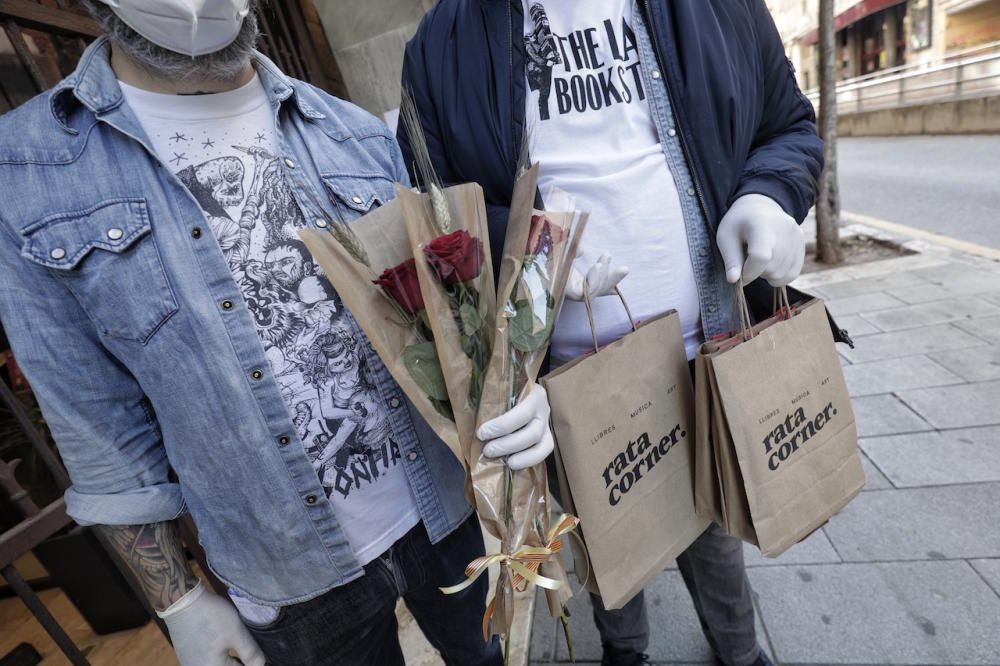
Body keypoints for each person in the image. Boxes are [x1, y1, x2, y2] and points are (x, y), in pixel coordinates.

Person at [0, 1, 554, 664]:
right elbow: (97, 425)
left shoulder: (348, 128)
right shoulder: (29, 174)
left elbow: (443, 309)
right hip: (288, 573)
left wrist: (518, 383)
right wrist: (176, 600)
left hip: (443, 513)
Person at [399, 1, 843, 665]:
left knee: (715, 530)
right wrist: (529, 254)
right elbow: (436, 219)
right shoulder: (443, 41)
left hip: (707, 358)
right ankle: (625, 650)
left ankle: (739, 649)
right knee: (603, 534)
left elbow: (786, 127)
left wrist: (770, 196)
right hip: (562, 390)